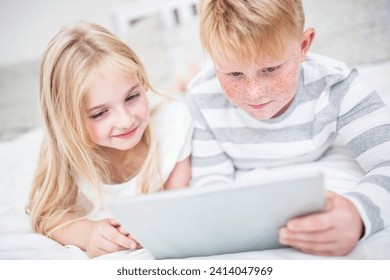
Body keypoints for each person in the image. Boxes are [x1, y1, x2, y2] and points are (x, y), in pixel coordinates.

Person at [186, 0, 390, 256]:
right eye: (234, 74)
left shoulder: (338, 85)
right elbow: (210, 179)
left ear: (304, 45)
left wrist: (359, 213)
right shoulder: (200, 97)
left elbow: (386, 161)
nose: (255, 92)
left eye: (270, 69)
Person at [26, 21, 193, 258]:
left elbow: (175, 201)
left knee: (173, 95)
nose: (126, 121)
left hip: (163, 109)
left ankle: (186, 77)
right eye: (99, 113)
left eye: (133, 95)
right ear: (67, 121)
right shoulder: (67, 150)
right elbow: (48, 214)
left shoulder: (174, 120)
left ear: (141, 82)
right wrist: (87, 233)